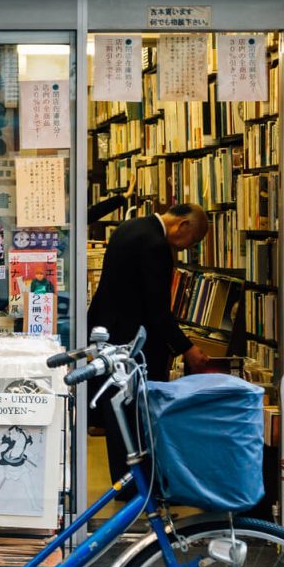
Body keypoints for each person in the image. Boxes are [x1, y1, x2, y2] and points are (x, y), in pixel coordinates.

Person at [86, 202, 212, 479]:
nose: (184, 248)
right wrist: (186, 348)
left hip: (108, 332)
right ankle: (141, 484)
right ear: (184, 225)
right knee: (137, 413)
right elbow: (157, 310)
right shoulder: (155, 244)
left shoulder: (129, 227)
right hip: (133, 343)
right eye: (193, 240)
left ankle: (125, 480)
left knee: (118, 412)